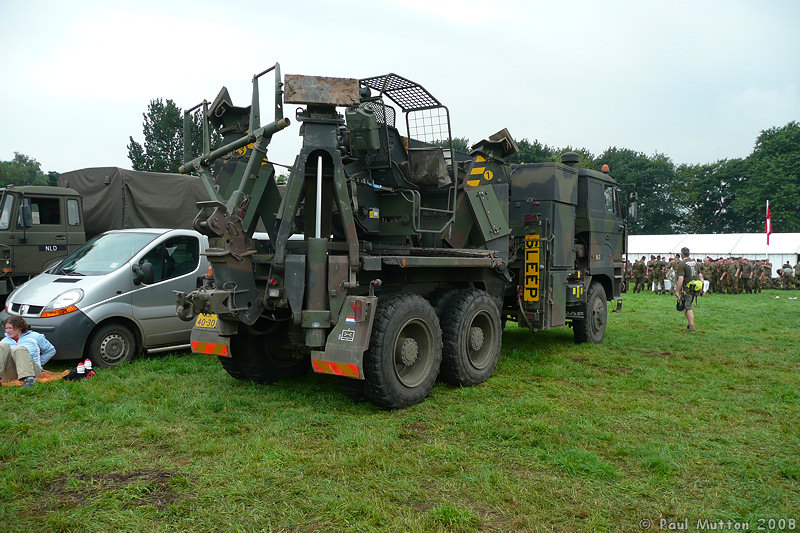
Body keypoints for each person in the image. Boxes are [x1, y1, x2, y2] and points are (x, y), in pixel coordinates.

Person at [0, 316, 56, 388]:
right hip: (12, 372)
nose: (7, 331)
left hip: (32, 371)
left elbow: (51, 350)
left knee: (19, 349)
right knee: (2, 345)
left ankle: (30, 381)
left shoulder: (35, 336)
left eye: (10, 328)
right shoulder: (5, 340)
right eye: (6, 328)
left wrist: (39, 362)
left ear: (19, 327)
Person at [675, 247, 703, 332]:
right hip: (695, 287)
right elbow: (700, 276)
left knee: (688, 308)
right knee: (685, 307)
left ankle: (691, 326)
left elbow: (681, 279)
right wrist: (702, 288)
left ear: (681, 254)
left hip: (687, 288)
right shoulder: (695, 263)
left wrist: (677, 291)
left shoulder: (682, 264)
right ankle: (689, 325)